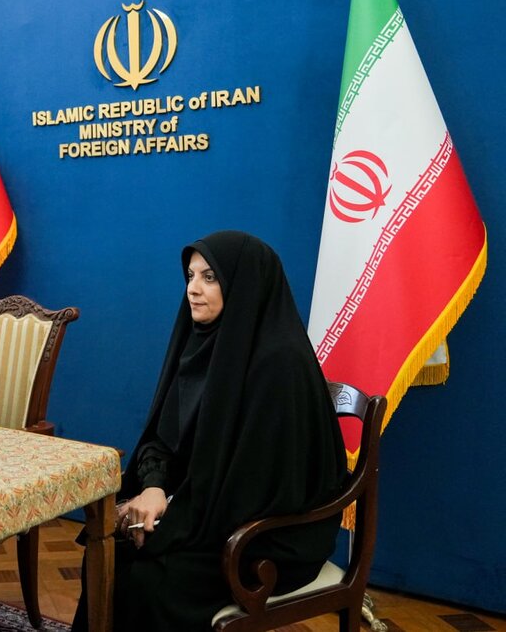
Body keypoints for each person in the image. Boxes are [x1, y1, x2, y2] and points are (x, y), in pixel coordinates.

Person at [73, 230, 347, 631]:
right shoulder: (201, 345)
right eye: (190, 276)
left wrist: (172, 513)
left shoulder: (280, 364)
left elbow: (262, 487)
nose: (193, 289)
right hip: (208, 511)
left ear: (244, 285)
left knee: (153, 581)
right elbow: (163, 438)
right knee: (110, 551)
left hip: (268, 535)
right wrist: (153, 489)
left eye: (210, 277)